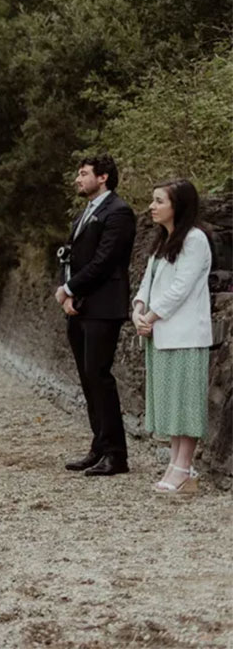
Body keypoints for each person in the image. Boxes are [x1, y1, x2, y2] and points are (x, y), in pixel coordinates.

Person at [54, 155, 137, 476]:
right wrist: (69, 290)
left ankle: (117, 454)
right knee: (88, 377)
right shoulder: (83, 214)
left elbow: (105, 262)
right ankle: (99, 445)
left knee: (99, 375)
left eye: (83, 173)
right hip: (81, 304)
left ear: (102, 178)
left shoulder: (119, 212)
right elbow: (71, 258)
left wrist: (70, 289)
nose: (78, 179)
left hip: (104, 305)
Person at [132, 179, 213, 494]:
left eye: (158, 201)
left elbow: (181, 288)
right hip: (162, 333)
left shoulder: (195, 240)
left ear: (177, 206)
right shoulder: (162, 242)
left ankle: (183, 466)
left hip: (186, 334)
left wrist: (151, 316)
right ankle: (177, 464)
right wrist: (139, 309)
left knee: (186, 403)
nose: (152, 207)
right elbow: (147, 283)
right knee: (173, 404)